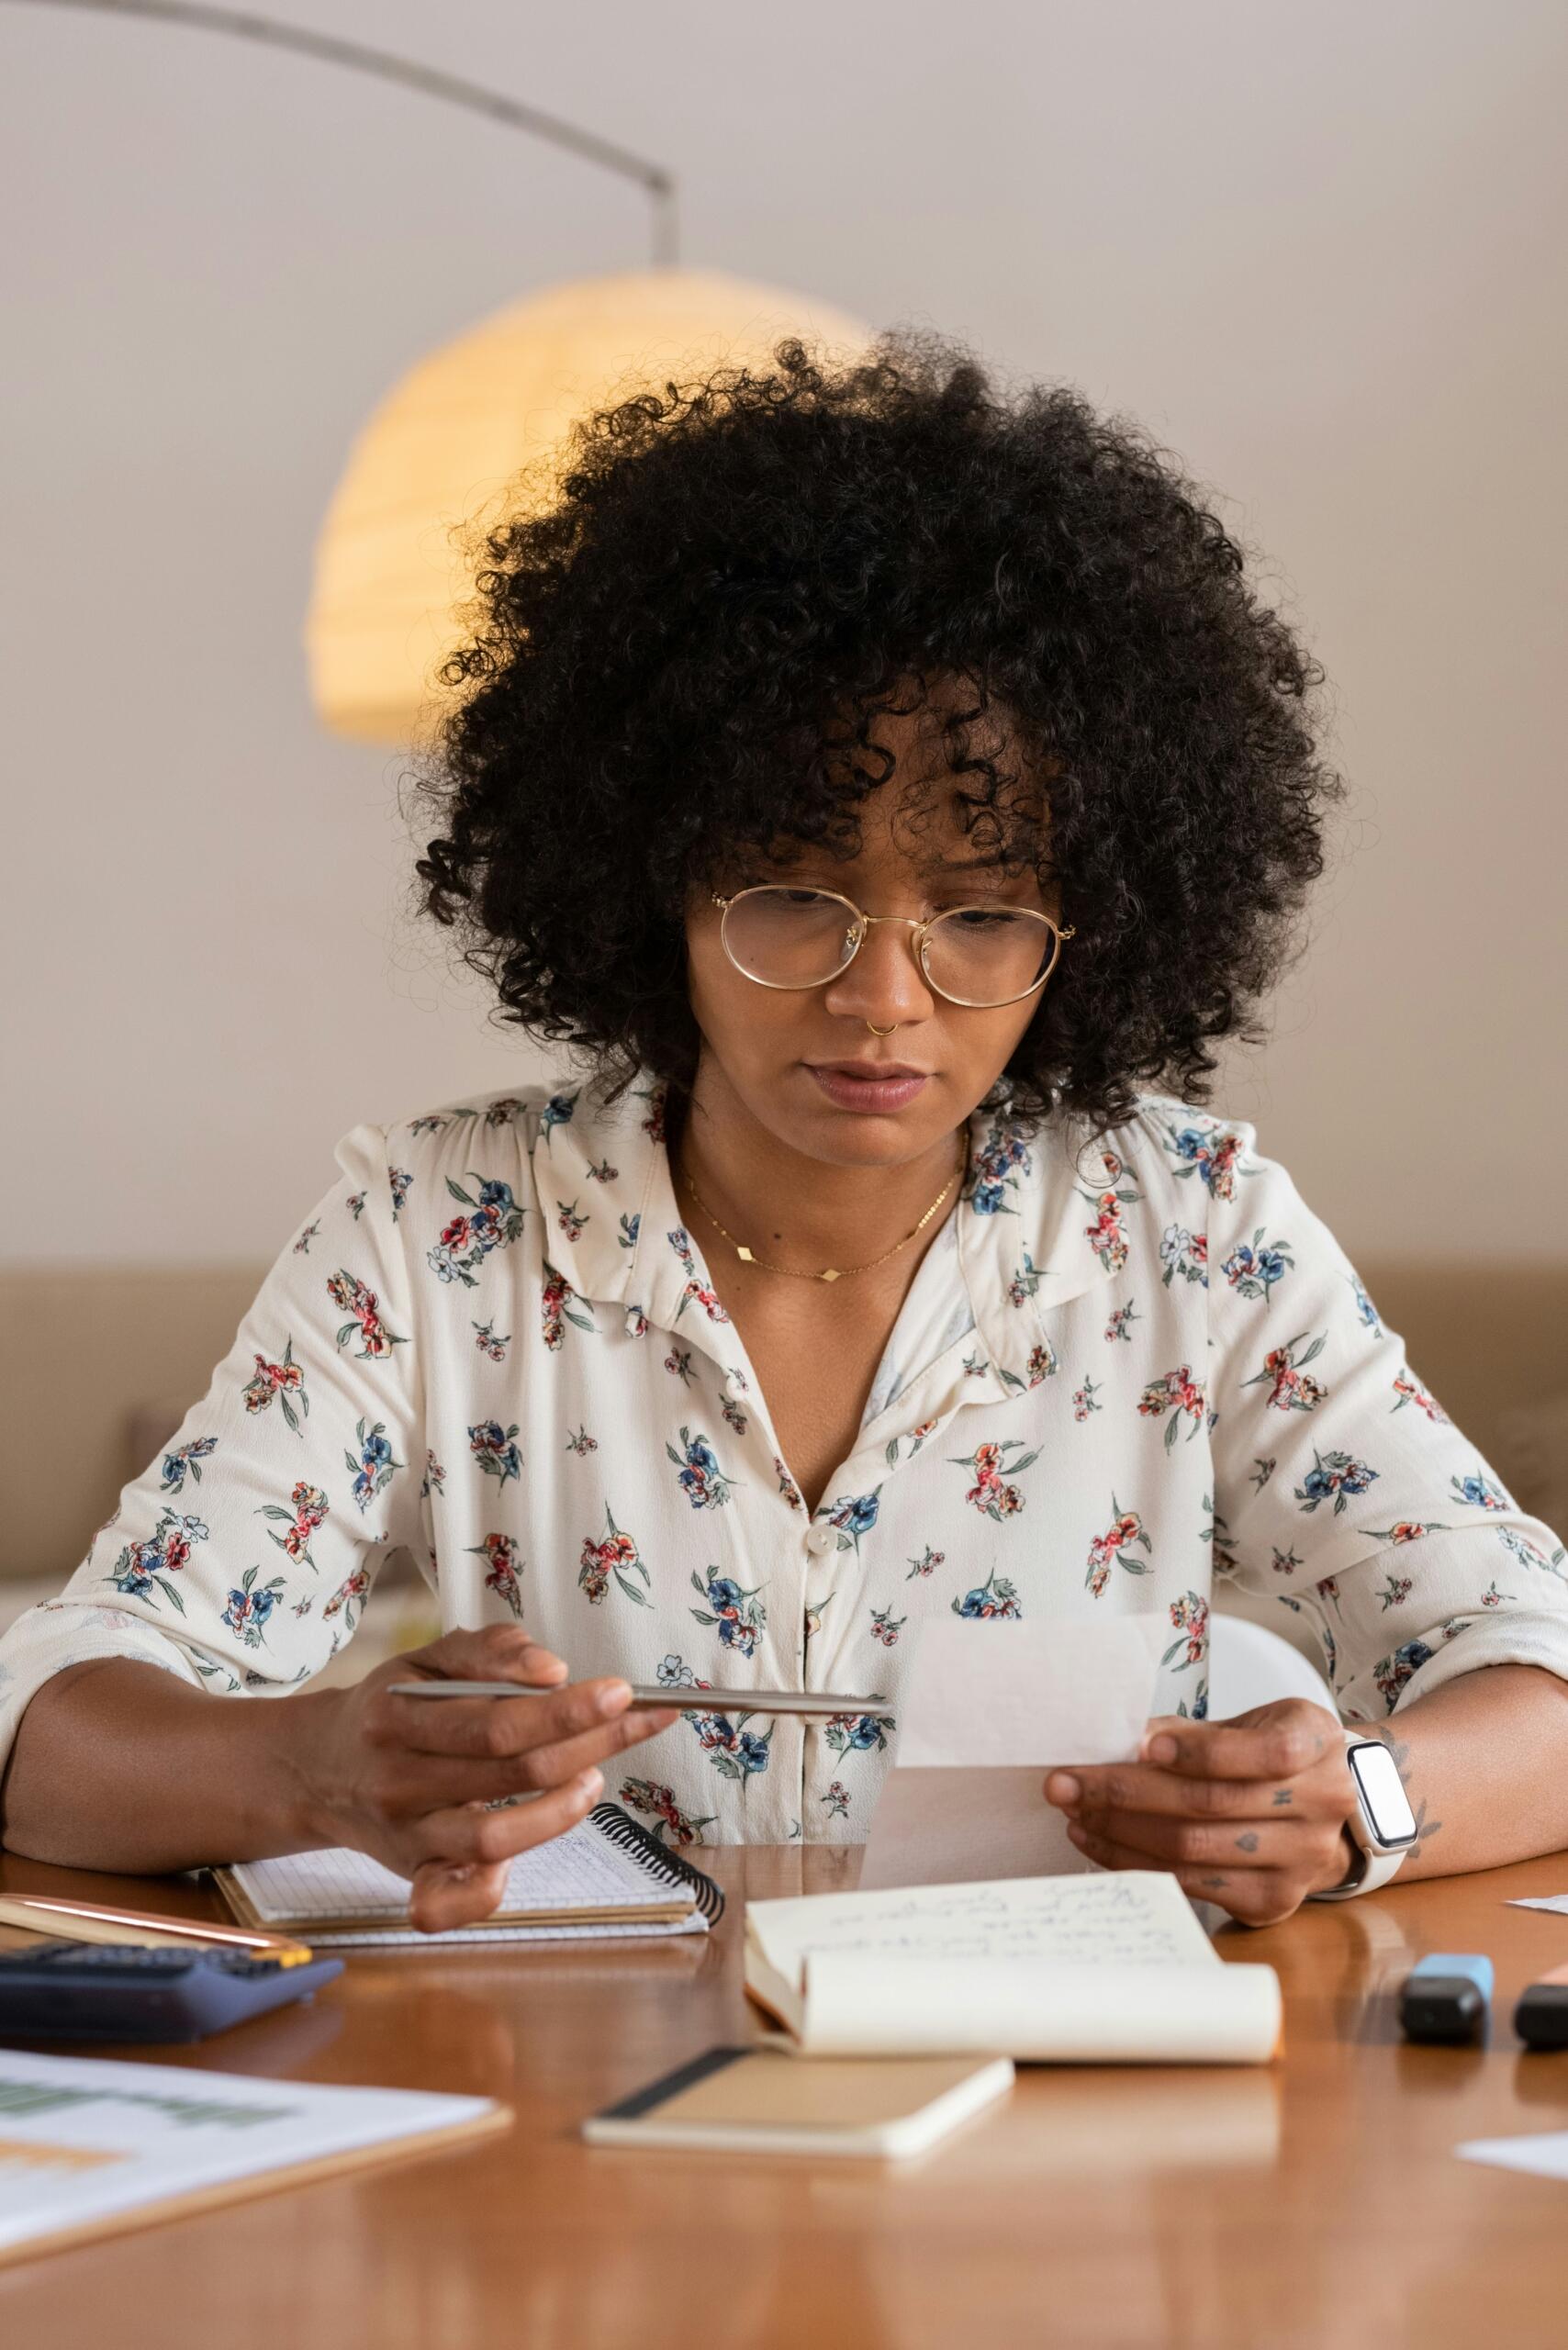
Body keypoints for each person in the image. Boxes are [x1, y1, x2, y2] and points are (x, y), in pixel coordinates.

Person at [4, 334, 1564, 1933]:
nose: (881, 996)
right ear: (653, 882)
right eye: (791, 898)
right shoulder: (436, 1234)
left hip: (1077, 2135)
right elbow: (50, 1734)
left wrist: (1359, 1803)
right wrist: (316, 1765)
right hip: (574, 2129)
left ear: (1092, 926)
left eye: (980, 913)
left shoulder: (1196, 1234)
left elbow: (1538, 1672)